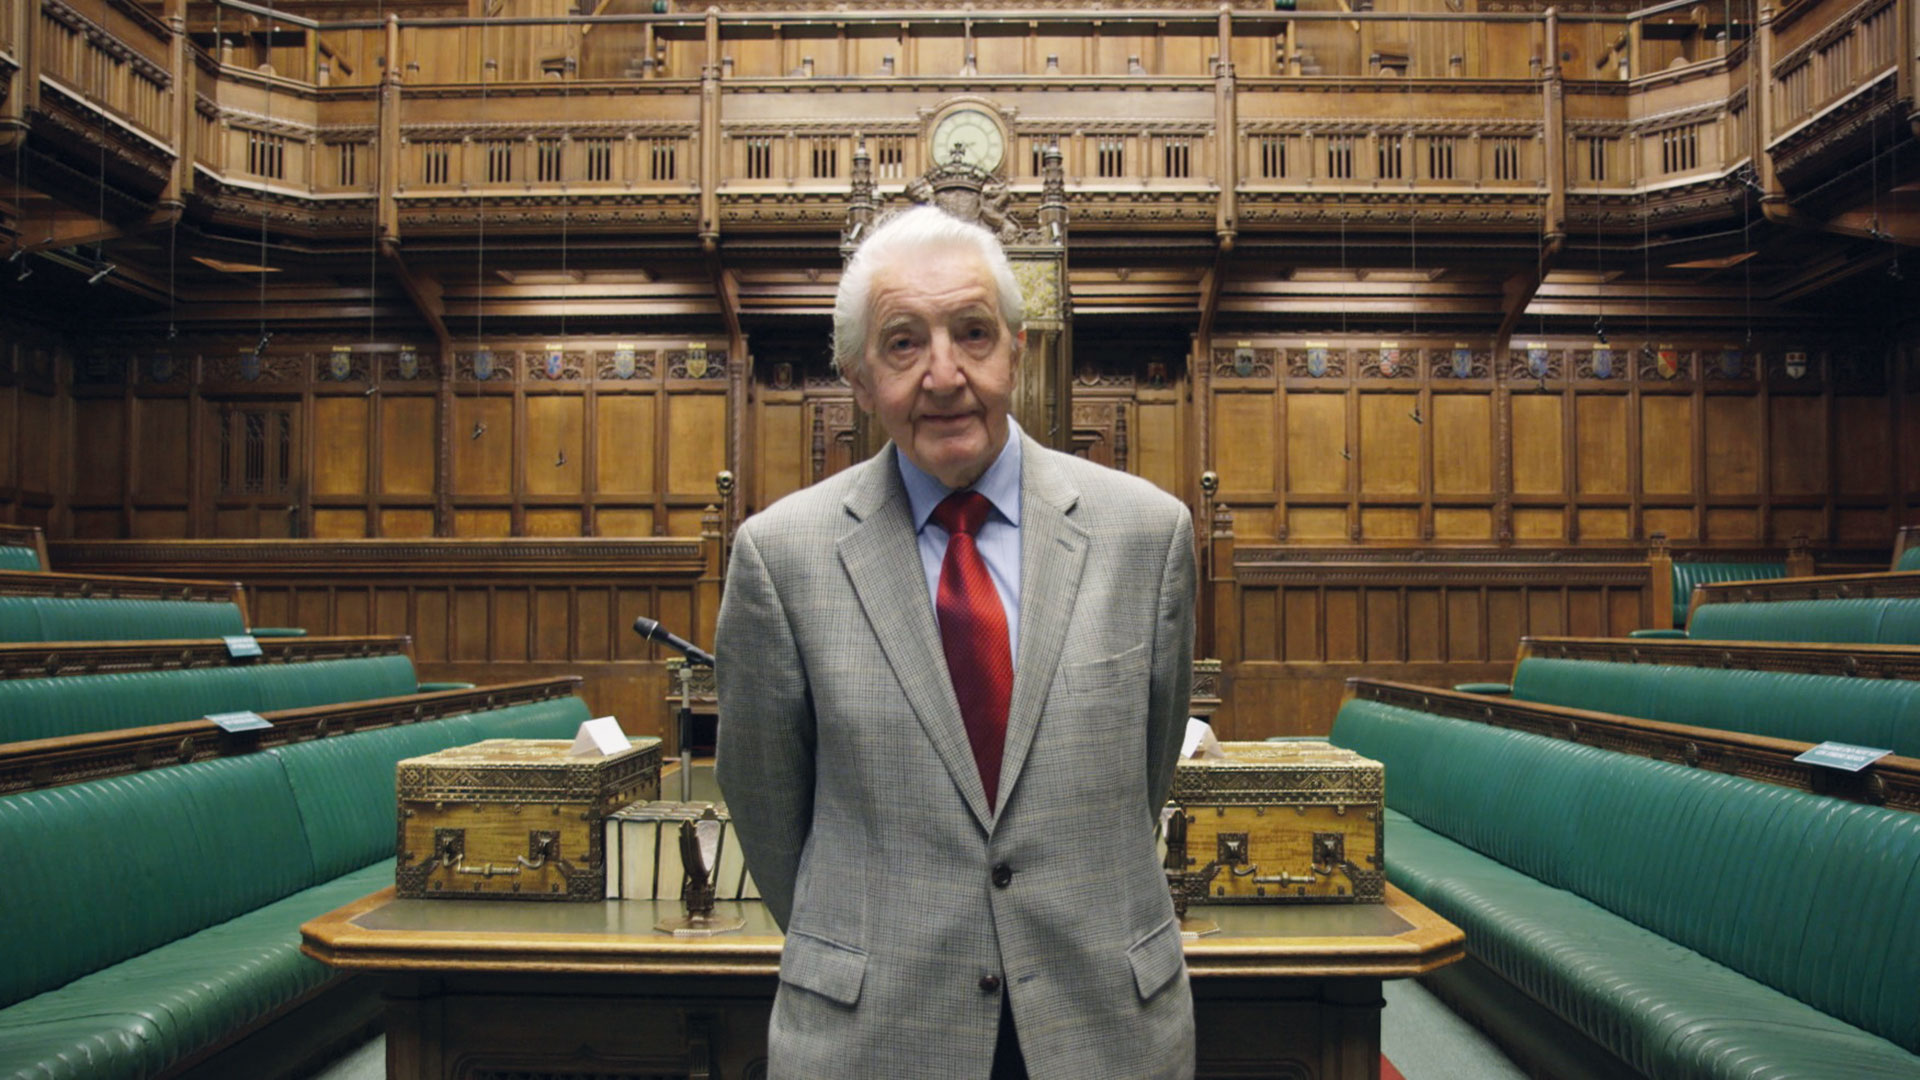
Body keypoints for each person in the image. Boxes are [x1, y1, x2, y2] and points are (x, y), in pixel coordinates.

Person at [715, 204, 1196, 1080]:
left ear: (1017, 349)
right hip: (877, 1031)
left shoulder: (1147, 535)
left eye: (972, 333)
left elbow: (1146, 773)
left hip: (1100, 1023)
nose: (945, 375)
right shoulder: (781, 557)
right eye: (904, 343)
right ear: (859, 380)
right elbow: (767, 806)